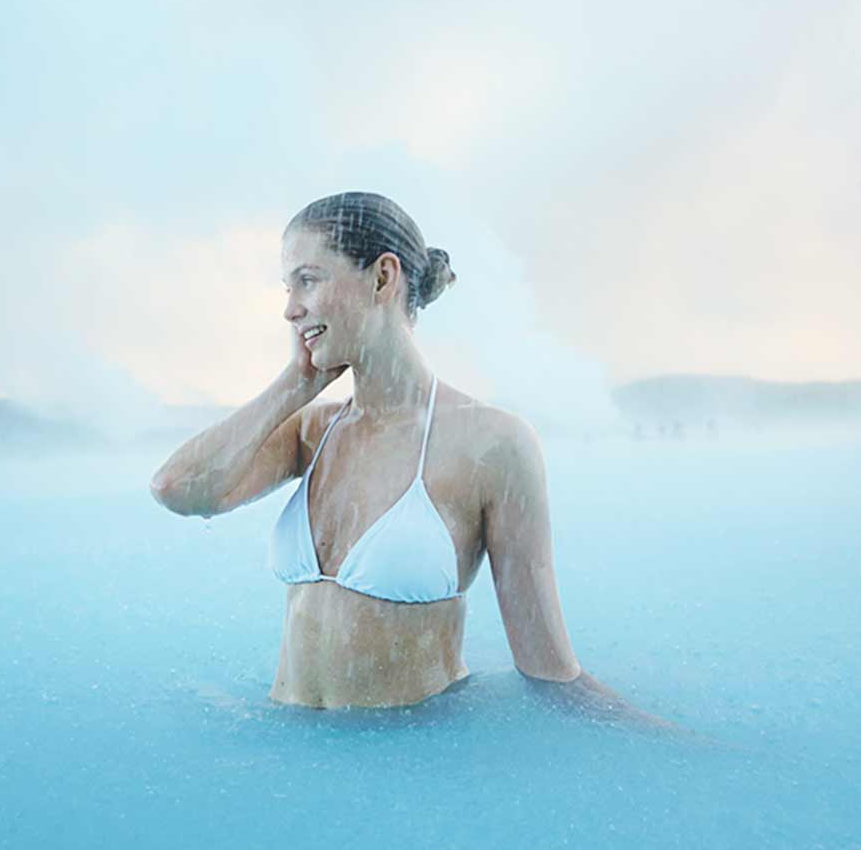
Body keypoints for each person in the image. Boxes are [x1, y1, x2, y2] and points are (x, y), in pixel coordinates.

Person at [149, 192, 675, 731]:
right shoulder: (313, 431)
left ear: (382, 278)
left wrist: (671, 745)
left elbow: (549, 671)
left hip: (411, 769)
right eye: (289, 287)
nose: (290, 308)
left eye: (308, 279)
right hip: (295, 762)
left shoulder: (492, 444)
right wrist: (294, 384)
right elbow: (177, 490)